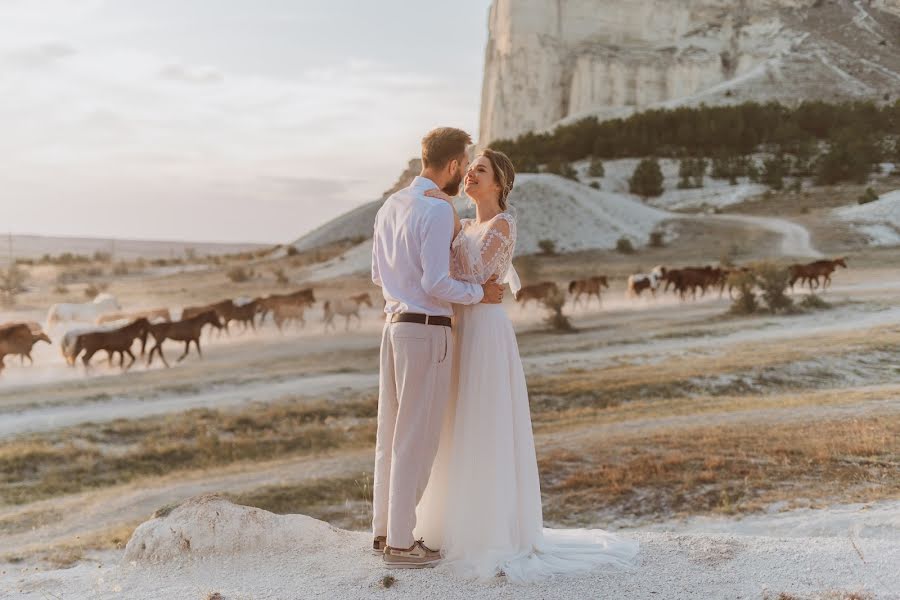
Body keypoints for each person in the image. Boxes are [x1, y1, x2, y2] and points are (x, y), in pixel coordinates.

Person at [413, 148, 640, 583]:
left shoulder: (501, 225)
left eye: (480, 171)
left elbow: (476, 273)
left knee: (485, 420)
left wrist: (450, 232)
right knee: (454, 422)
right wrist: (450, 226)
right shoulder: (463, 224)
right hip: (461, 326)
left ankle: (491, 532)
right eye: (470, 170)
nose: (470, 176)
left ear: (498, 183)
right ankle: (447, 522)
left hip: (486, 331)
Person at [370, 127, 505, 568]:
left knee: (391, 434)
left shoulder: (390, 205)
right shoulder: (437, 209)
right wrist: (477, 295)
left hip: (392, 327)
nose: (464, 172)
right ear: (452, 166)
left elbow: (377, 274)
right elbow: (435, 281)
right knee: (418, 438)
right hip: (426, 330)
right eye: (464, 165)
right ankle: (403, 546)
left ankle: (385, 532)